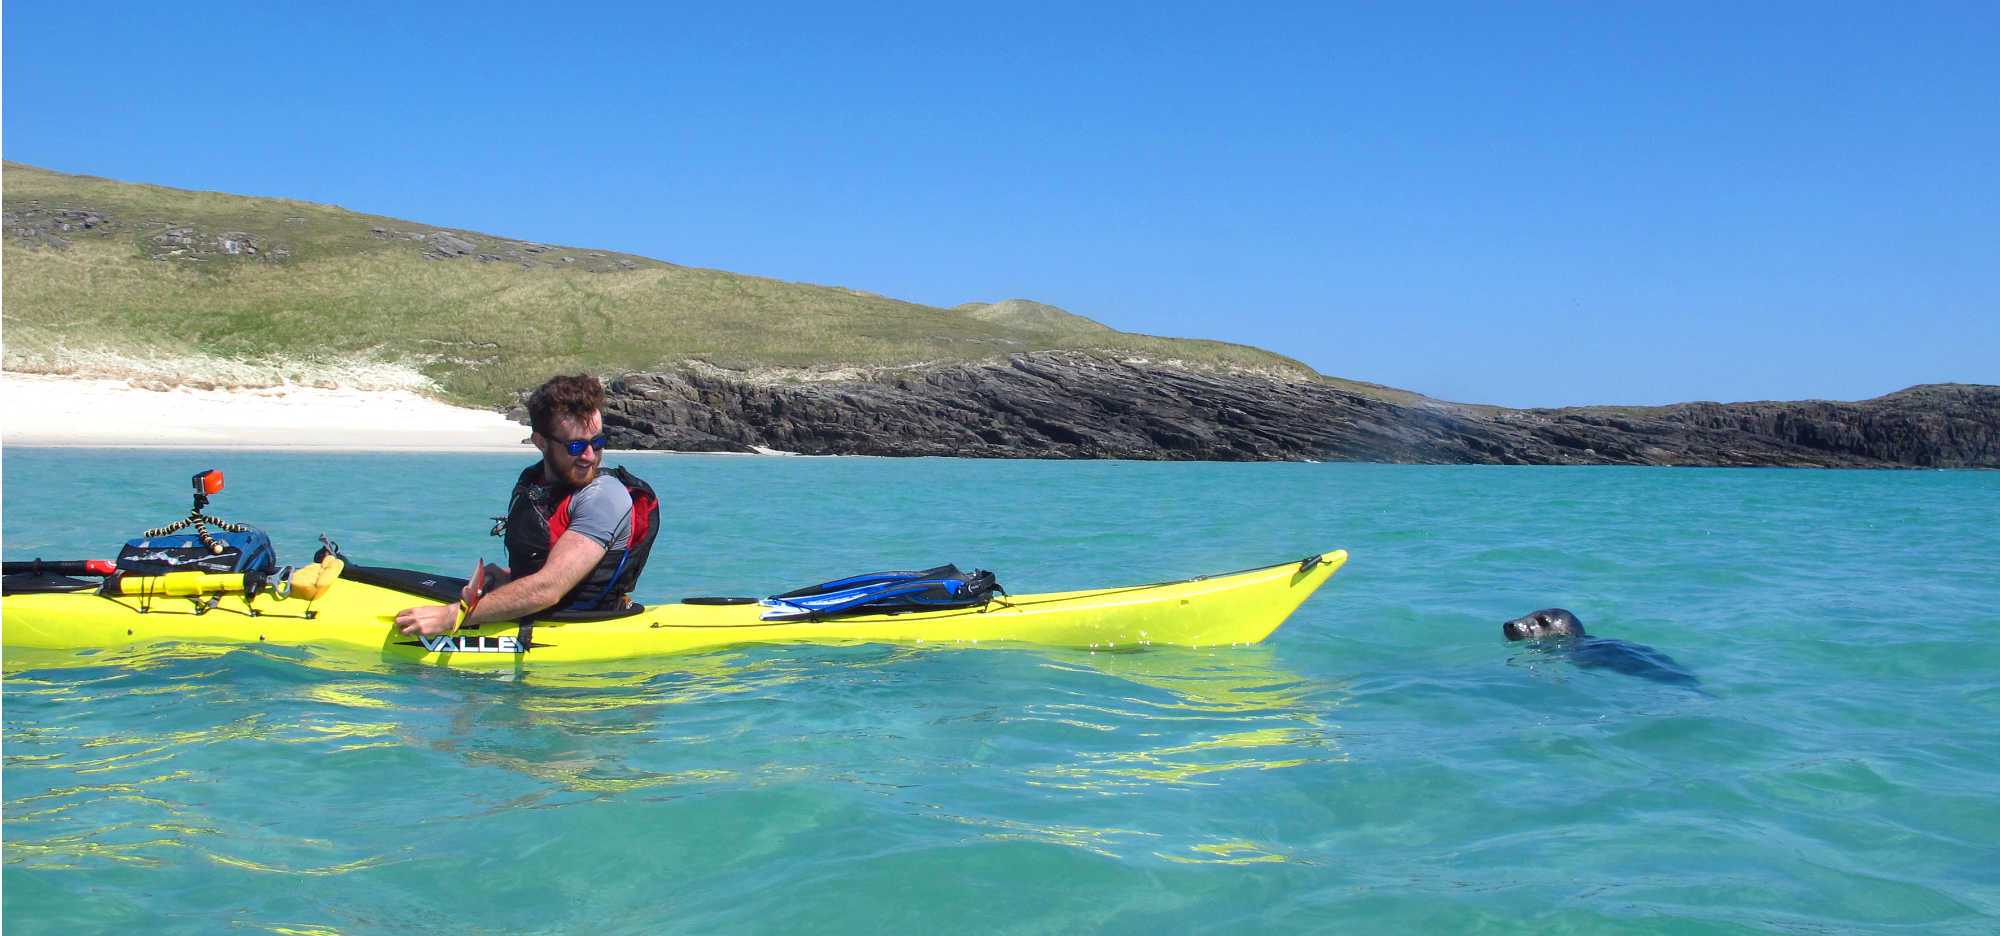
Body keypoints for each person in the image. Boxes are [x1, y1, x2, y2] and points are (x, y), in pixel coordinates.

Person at [395, 374, 659, 637]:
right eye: (576, 446)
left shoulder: (603, 497)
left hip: (578, 628)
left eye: (597, 443)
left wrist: (451, 617)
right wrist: (508, 577)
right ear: (541, 442)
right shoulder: (535, 483)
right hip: (541, 609)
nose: (589, 456)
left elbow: (549, 588)